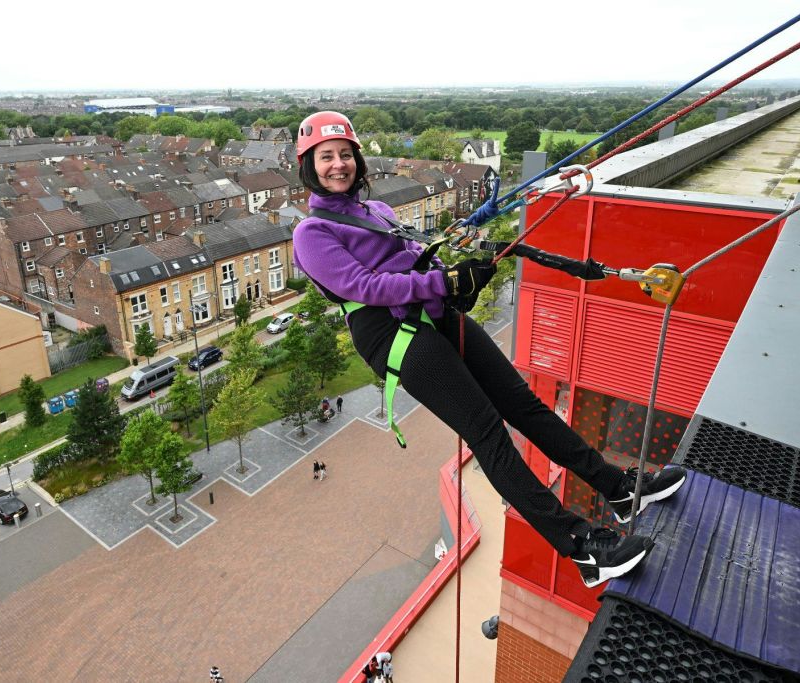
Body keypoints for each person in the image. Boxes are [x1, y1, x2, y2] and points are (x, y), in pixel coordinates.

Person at [292, 111, 687, 588]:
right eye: (326, 157)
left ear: (357, 159)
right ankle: (583, 548)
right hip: (391, 334)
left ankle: (619, 489)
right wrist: (442, 280)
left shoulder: (378, 213)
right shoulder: (311, 234)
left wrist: (458, 284)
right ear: (309, 167)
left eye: (345, 154)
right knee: (488, 434)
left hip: (429, 312)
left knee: (523, 404)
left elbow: (413, 265)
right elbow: (364, 285)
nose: (339, 165)